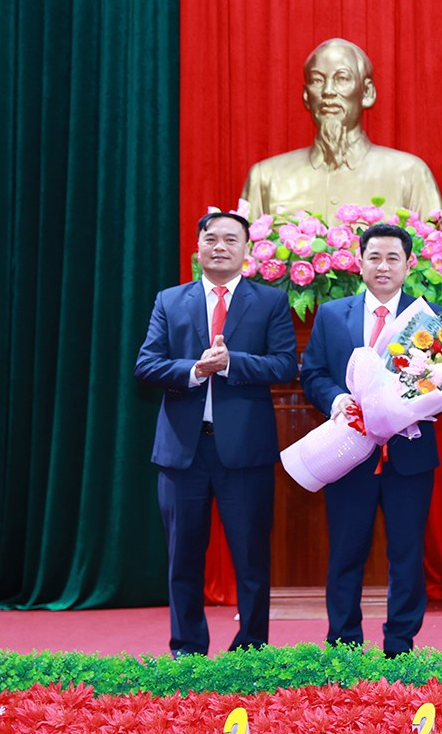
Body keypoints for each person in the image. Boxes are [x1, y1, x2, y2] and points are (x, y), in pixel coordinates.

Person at [134, 211, 297, 656]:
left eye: (230, 239)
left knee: (251, 559)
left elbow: (285, 364)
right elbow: (146, 364)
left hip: (245, 452)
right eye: (211, 239)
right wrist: (194, 370)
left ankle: (251, 651)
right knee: (182, 559)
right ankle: (187, 650)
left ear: (247, 249)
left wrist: (231, 363)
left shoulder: (270, 301)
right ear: (198, 248)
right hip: (182, 452)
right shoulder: (170, 300)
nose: (220, 246)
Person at [298, 222, 437, 656]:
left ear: (409, 264)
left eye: (393, 258)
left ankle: (400, 644)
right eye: (374, 257)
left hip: (408, 454)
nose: (383, 266)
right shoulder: (331, 314)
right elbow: (313, 373)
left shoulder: (429, 317)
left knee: (407, 554)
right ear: (359, 263)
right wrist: (337, 399)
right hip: (348, 452)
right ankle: (344, 644)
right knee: (346, 551)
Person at [241, 38, 442, 218]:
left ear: (367, 93)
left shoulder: (409, 174)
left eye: (342, 79)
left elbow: (436, 247)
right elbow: (243, 248)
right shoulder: (266, 177)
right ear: (306, 96)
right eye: (317, 80)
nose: (328, 91)